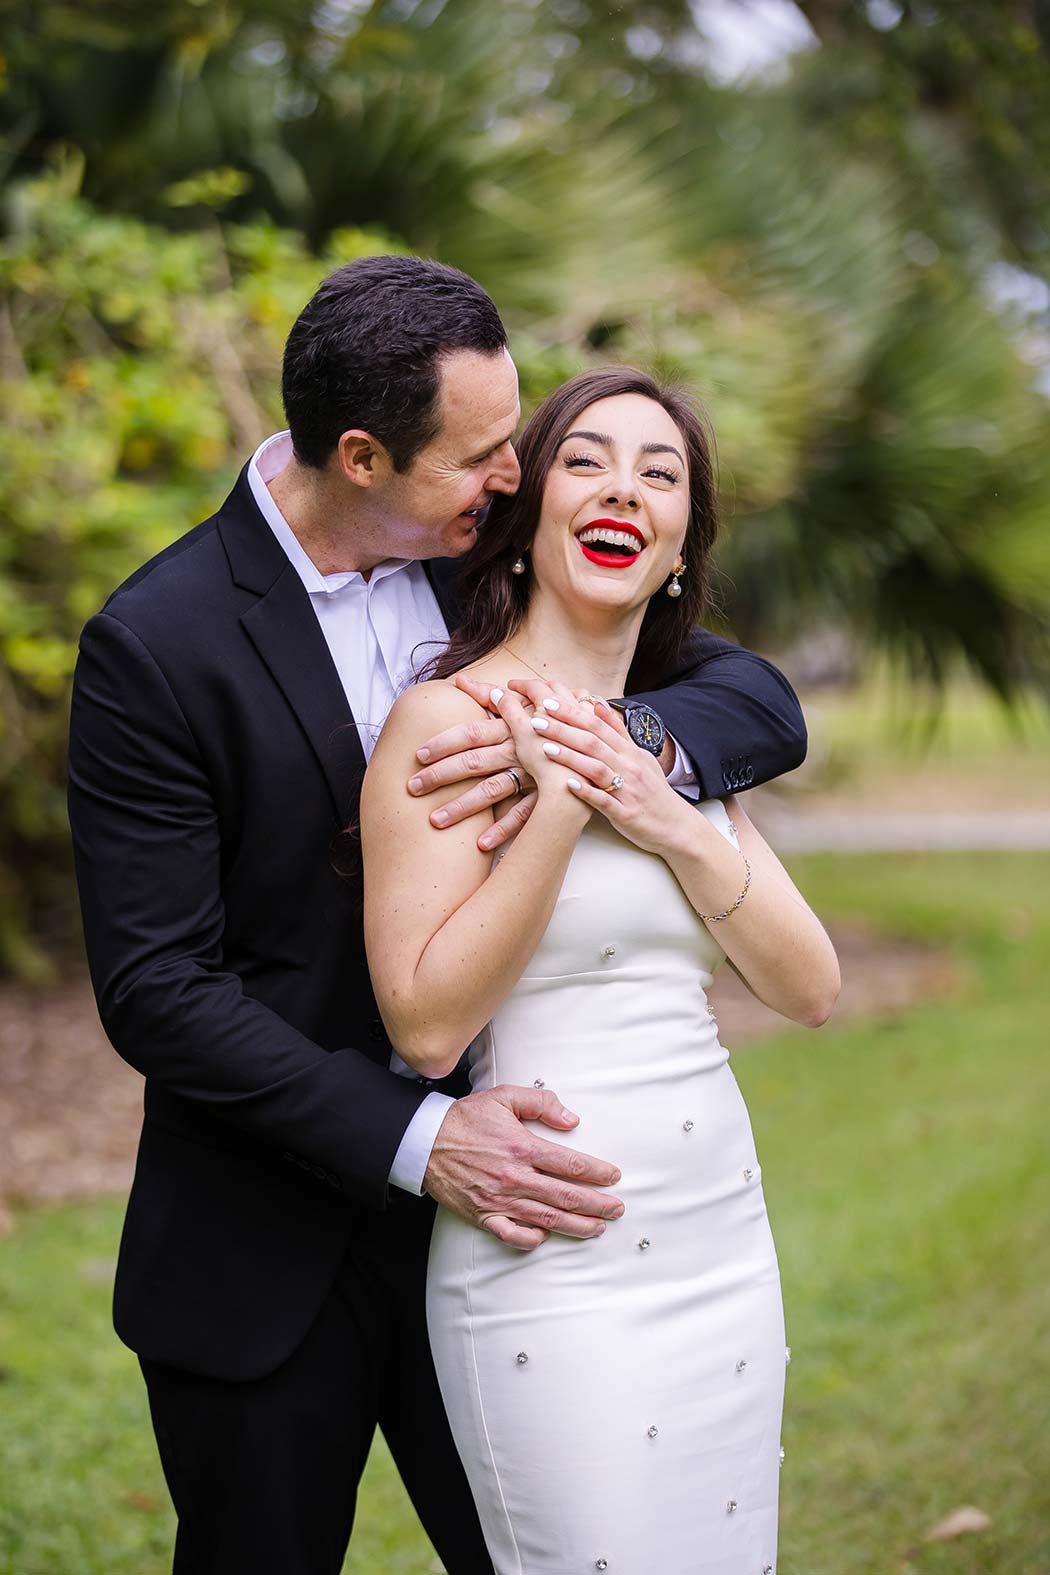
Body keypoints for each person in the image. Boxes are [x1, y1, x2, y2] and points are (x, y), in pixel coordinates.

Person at [67, 257, 809, 1575]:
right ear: (361, 455)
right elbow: (160, 990)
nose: (515, 477)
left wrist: (602, 738)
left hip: (530, 1235)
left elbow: (754, 699)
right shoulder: (157, 643)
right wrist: (418, 1135)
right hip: (270, 1237)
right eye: (479, 456)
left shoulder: (481, 571)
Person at [361, 366, 840, 1574]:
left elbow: (810, 986)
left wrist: (663, 806)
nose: (625, 486)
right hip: (551, 1260)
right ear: (525, 518)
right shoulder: (446, 728)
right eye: (586, 459)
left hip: (720, 1247)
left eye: (660, 472)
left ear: (680, 546)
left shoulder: (677, 741)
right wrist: (564, 807)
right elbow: (425, 1027)